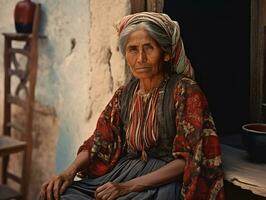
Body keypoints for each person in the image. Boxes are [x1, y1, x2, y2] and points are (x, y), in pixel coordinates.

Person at [39, 12, 224, 200]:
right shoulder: (125, 94)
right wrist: (68, 173)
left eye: (149, 48)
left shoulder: (185, 91)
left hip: (162, 181)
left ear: (166, 54)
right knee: (55, 195)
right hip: (124, 173)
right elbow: (98, 142)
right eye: (133, 49)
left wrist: (127, 187)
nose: (140, 58)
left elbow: (190, 159)